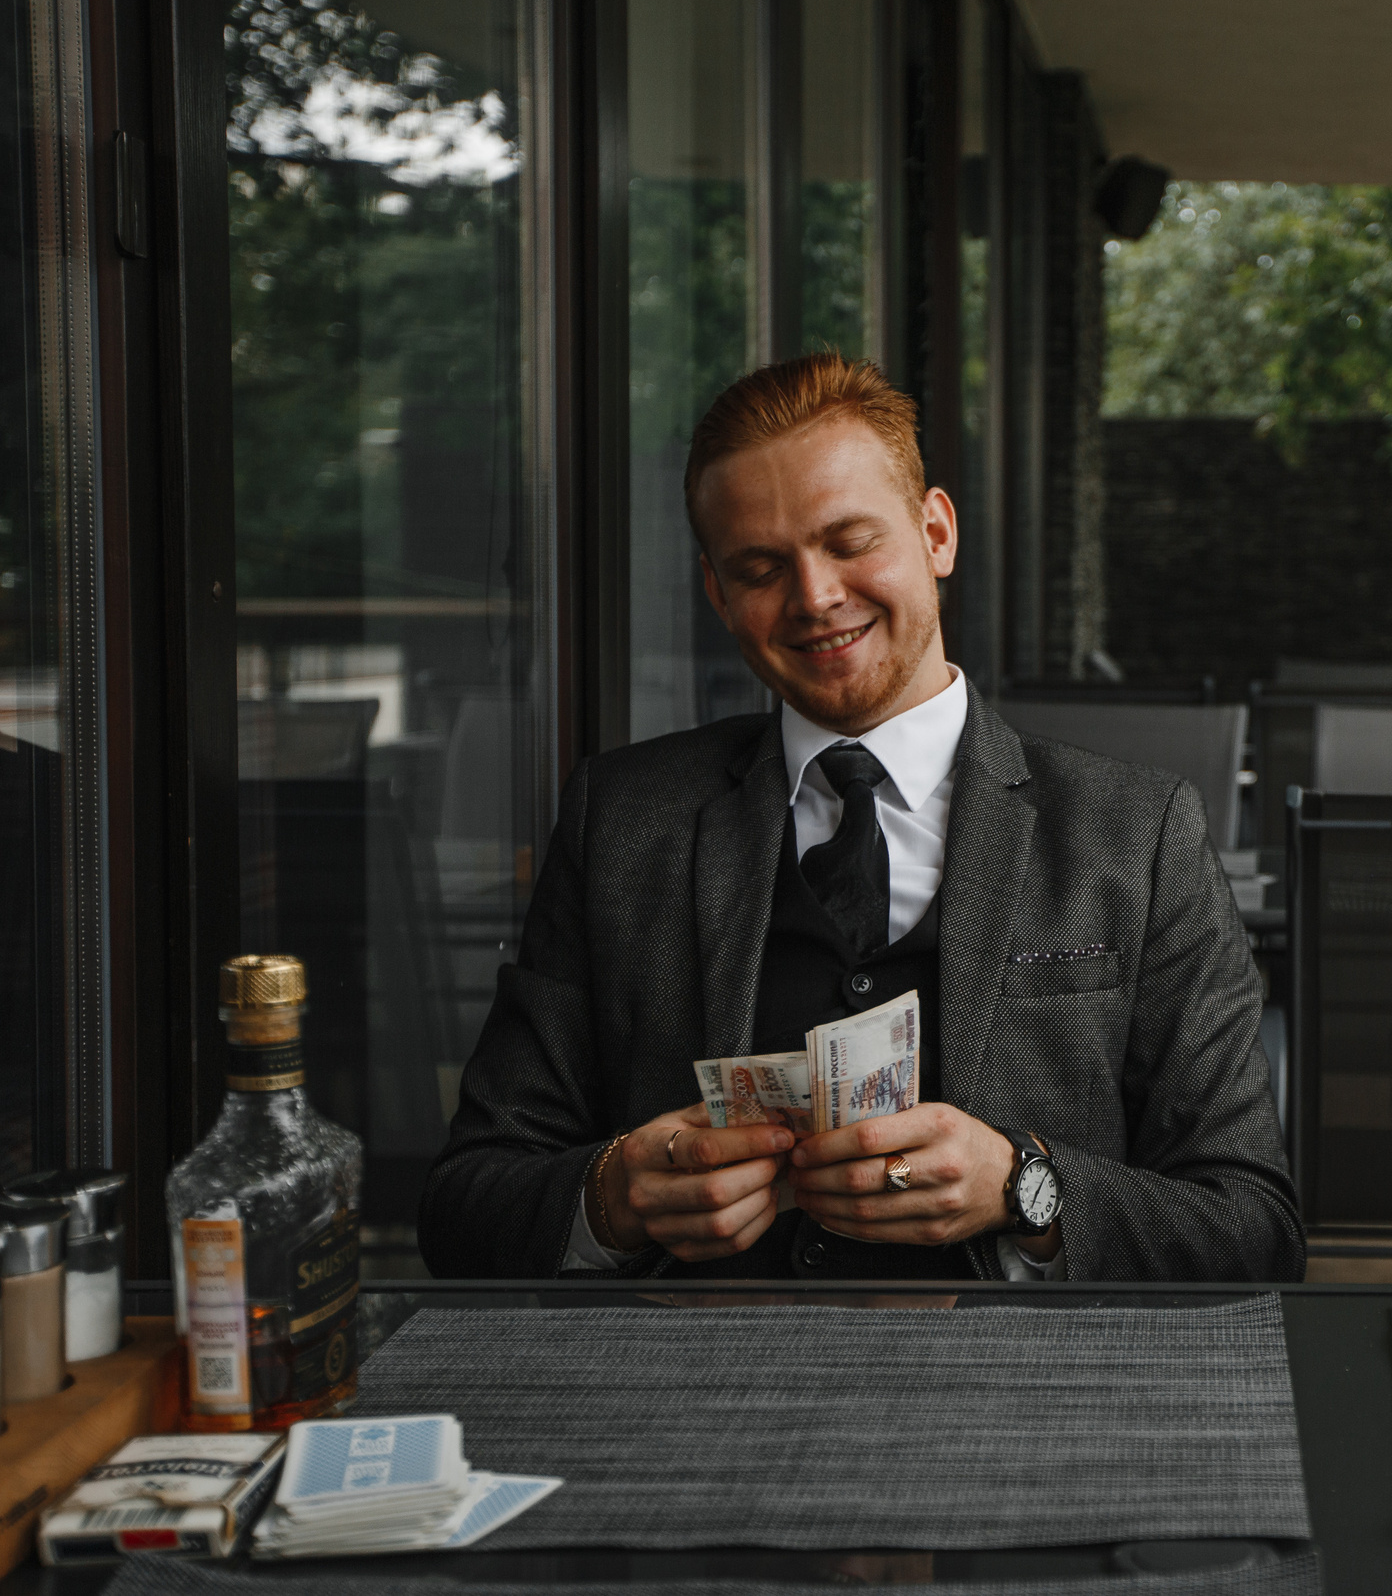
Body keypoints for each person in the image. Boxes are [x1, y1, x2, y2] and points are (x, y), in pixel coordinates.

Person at [420, 354, 1301, 1282]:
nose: (814, 597)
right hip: (699, 1395)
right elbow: (463, 1205)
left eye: (849, 542)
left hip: (1017, 1404)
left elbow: (1253, 1227)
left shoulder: (1139, 831)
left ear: (936, 533)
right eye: (761, 568)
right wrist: (614, 1195)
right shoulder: (622, 822)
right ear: (720, 596)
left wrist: (1025, 1189)